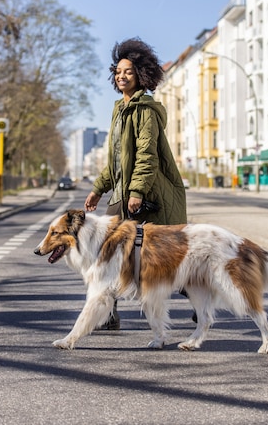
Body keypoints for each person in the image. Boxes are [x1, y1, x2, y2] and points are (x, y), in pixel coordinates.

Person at [84, 37, 188, 330]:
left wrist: (137, 191)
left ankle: (198, 296)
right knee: (109, 251)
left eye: (127, 71)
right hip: (121, 193)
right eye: (117, 71)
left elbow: (146, 154)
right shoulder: (120, 110)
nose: (121, 75)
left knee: (162, 255)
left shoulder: (145, 111)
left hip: (142, 194)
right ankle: (109, 313)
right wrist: (97, 188)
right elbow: (116, 160)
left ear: (140, 75)